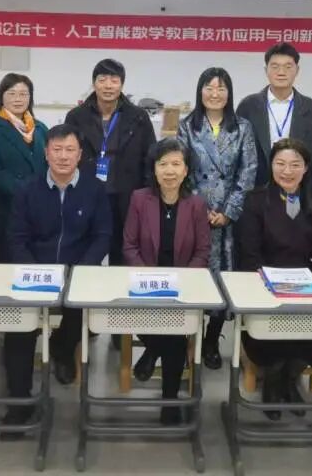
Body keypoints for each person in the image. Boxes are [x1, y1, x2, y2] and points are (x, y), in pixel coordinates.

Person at [2, 124, 111, 430]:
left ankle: (63, 350)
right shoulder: (28, 189)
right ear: (46, 153)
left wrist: (81, 270)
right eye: (57, 150)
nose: (63, 156)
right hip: (36, 273)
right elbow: (16, 238)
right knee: (18, 326)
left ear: (80, 155)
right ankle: (19, 402)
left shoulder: (94, 190)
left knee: (78, 307)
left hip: (78, 271)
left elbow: (102, 236)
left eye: (70, 150)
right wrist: (35, 273)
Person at [237, 138, 312, 421]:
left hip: (306, 285)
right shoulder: (255, 201)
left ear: (305, 168)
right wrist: (268, 284)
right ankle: (273, 380)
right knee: (269, 323)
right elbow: (249, 254)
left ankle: (291, 380)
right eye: (280, 164)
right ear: (271, 166)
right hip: (264, 284)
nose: (287, 171)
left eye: (295, 165)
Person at [122, 138, 210, 425]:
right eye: (163, 164)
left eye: (176, 164)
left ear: (186, 170)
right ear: (154, 169)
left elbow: (202, 252)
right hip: (145, 286)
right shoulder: (139, 199)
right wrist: (148, 278)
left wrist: (181, 282)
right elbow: (129, 247)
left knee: (175, 327)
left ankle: (154, 357)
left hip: (182, 290)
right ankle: (169, 399)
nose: (169, 171)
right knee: (173, 336)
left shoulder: (196, 204)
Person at [176, 67, 257, 369]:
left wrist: (229, 211)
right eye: (209, 88)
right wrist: (200, 208)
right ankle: (186, 337)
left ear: (229, 93)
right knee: (194, 275)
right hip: (194, 211)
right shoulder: (187, 126)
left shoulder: (242, 127)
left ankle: (211, 339)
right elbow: (181, 169)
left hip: (229, 216)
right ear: (200, 91)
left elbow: (248, 172)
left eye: (221, 88)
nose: (214, 94)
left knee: (224, 276)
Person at [64, 59, 156, 271]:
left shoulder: (138, 117)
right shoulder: (76, 117)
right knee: (85, 253)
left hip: (126, 196)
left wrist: (146, 196)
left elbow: (150, 158)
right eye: (102, 79)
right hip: (87, 195)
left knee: (123, 253)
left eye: (114, 80)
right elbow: (67, 155)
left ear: (122, 84)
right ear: (94, 83)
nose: (108, 85)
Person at [236, 42, 312, 212]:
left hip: (300, 195)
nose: (281, 72)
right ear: (266, 70)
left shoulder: (311, 109)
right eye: (275, 66)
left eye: (288, 66)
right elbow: (238, 156)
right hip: (256, 194)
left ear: (297, 70)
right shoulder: (248, 106)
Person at [0, 73, 48, 259]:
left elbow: (49, 162)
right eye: (12, 93)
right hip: (5, 206)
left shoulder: (40, 128)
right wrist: (23, 190)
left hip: (38, 206)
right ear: (1, 97)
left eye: (23, 94)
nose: (18, 99)